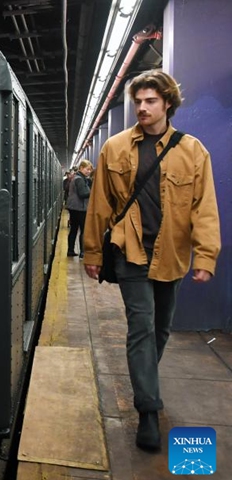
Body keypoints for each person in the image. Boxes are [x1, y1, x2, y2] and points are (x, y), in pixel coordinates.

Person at [83, 70, 221, 452]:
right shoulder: (114, 147)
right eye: (138, 102)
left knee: (161, 329)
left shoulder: (193, 151)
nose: (142, 108)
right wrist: (92, 252)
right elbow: (99, 206)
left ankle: (145, 380)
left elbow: (204, 208)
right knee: (141, 327)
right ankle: (147, 409)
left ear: (168, 104)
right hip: (129, 252)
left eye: (150, 101)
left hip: (172, 254)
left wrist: (205, 256)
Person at [66, 160, 92, 258]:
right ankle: (82, 252)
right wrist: (93, 192)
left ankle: (70, 250)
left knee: (73, 230)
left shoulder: (77, 178)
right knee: (83, 230)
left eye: (90, 170)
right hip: (80, 209)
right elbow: (82, 194)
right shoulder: (80, 179)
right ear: (81, 168)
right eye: (87, 169)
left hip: (74, 208)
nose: (88, 171)